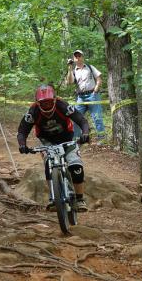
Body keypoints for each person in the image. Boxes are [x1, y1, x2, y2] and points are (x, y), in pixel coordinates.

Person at [17, 84, 90, 212]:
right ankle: (53, 197)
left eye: (49, 102)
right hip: (47, 142)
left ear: (55, 100)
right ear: (37, 103)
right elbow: (22, 131)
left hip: (67, 139)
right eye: (43, 103)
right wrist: (22, 144)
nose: (47, 106)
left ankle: (80, 199)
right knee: (48, 165)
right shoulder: (33, 111)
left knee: (76, 166)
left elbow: (82, 120)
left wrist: (85, 134)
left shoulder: (62, 106)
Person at [65, 49, 105, 143]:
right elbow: (70, 82)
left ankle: (102, 138)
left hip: (93, 95)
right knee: (76, 118)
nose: (78, 58)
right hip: (81, 98)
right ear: (74, 59)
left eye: (79, 56)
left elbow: (99, 79)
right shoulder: (73, 70)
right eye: (76, 56)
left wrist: (96, 88)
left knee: (97, 117)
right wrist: (69, 68)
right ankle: (77, 139)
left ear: (83, 57)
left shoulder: (90, 67)